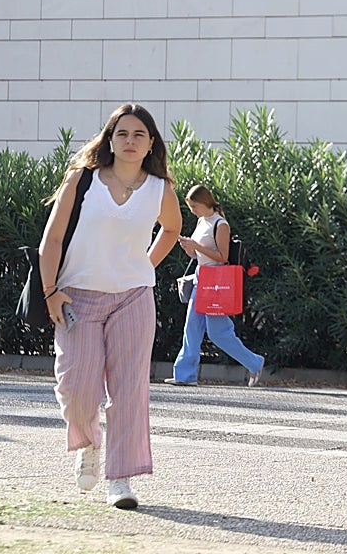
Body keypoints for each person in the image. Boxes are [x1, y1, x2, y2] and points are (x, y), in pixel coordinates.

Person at [39, 103, 182, 510]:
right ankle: (89, 444)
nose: (131, 141)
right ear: (110, 139)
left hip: (133, 298)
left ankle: (120, 479)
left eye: (139, 134)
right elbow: (51, 240)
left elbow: (172, 229)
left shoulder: (160, 190)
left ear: (151, 142)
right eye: (123, 134)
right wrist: (51, 291)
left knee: (129, 391)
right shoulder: (82, 180)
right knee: (77, 386)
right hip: (76, 296)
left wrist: (145, 265)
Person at [165, 184, 266, 388]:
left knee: (218, 332)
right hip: (201, 278)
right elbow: (198, 255)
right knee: (191, 328)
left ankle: (254, 362)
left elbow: (223, 257)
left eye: (194, 206)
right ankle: (185, 375)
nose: (192, 210)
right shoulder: (202, 221)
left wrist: (197, 247)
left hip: (215, 282)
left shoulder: (221, 224)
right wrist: (190, 249)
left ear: (204, 203)